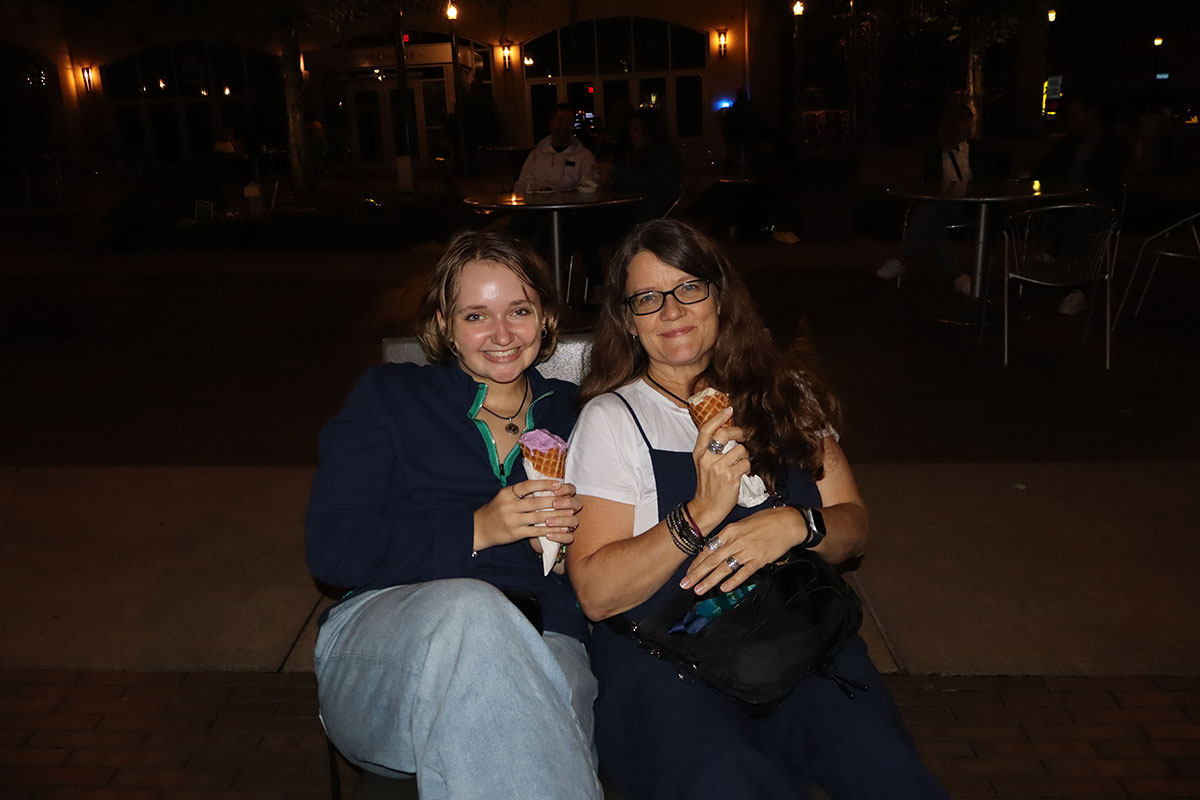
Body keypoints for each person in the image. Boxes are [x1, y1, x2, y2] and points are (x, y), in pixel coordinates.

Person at [565, 219, 948, 799]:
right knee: (731, 782)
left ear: (719, 295)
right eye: (648, 298)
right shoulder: (614, 419)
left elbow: (854, 527)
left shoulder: (783, 394)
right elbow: (595, 592)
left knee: (888, 772)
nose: (671, 311)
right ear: (628, 317)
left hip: (796, 637)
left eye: (689, 287)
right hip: (670, 659)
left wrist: (795, 524)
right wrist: (699, 512)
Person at [306, 231, 603, 800]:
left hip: (547, 638)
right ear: (444, 324)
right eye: (476, 315)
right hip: (389, 646)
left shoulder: (583, 413)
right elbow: (333, 548)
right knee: (470, 609)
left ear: (545, 319)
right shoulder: (389, 396)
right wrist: (477, 528)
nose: (501, 334)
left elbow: (614, 562)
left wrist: (580, 553)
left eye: (519, 310)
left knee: (551, 687)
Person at [877, 104, 995, 295]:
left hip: (971, 206)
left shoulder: (978, 150)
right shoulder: (936, 154)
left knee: (930, 211)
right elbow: (928, 185)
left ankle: (902, 259)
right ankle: (956, 276)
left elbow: (988, 182)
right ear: (955, 124)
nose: (969, 126)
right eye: (965, 122)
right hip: (944, 206)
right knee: (932, 213)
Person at [1033, 92, 1130, 315]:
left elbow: (1109, 184)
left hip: (1095, 207)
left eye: (1075, 113)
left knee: (1077, 212)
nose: (1070, 118)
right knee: (1062, 211)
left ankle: (1076, 286)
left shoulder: (1114, 146)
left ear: (1091, 114)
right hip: (1062, 202)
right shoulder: (1066, 145)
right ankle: (1054, 263)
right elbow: (1041, 173)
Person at [515, 103, 597, 194]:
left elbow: (592, 188)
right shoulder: (535, 155)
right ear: (551, 124)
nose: (564, 127)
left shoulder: (585, 157)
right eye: (560, 121)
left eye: (569, 123)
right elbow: (521, 185)